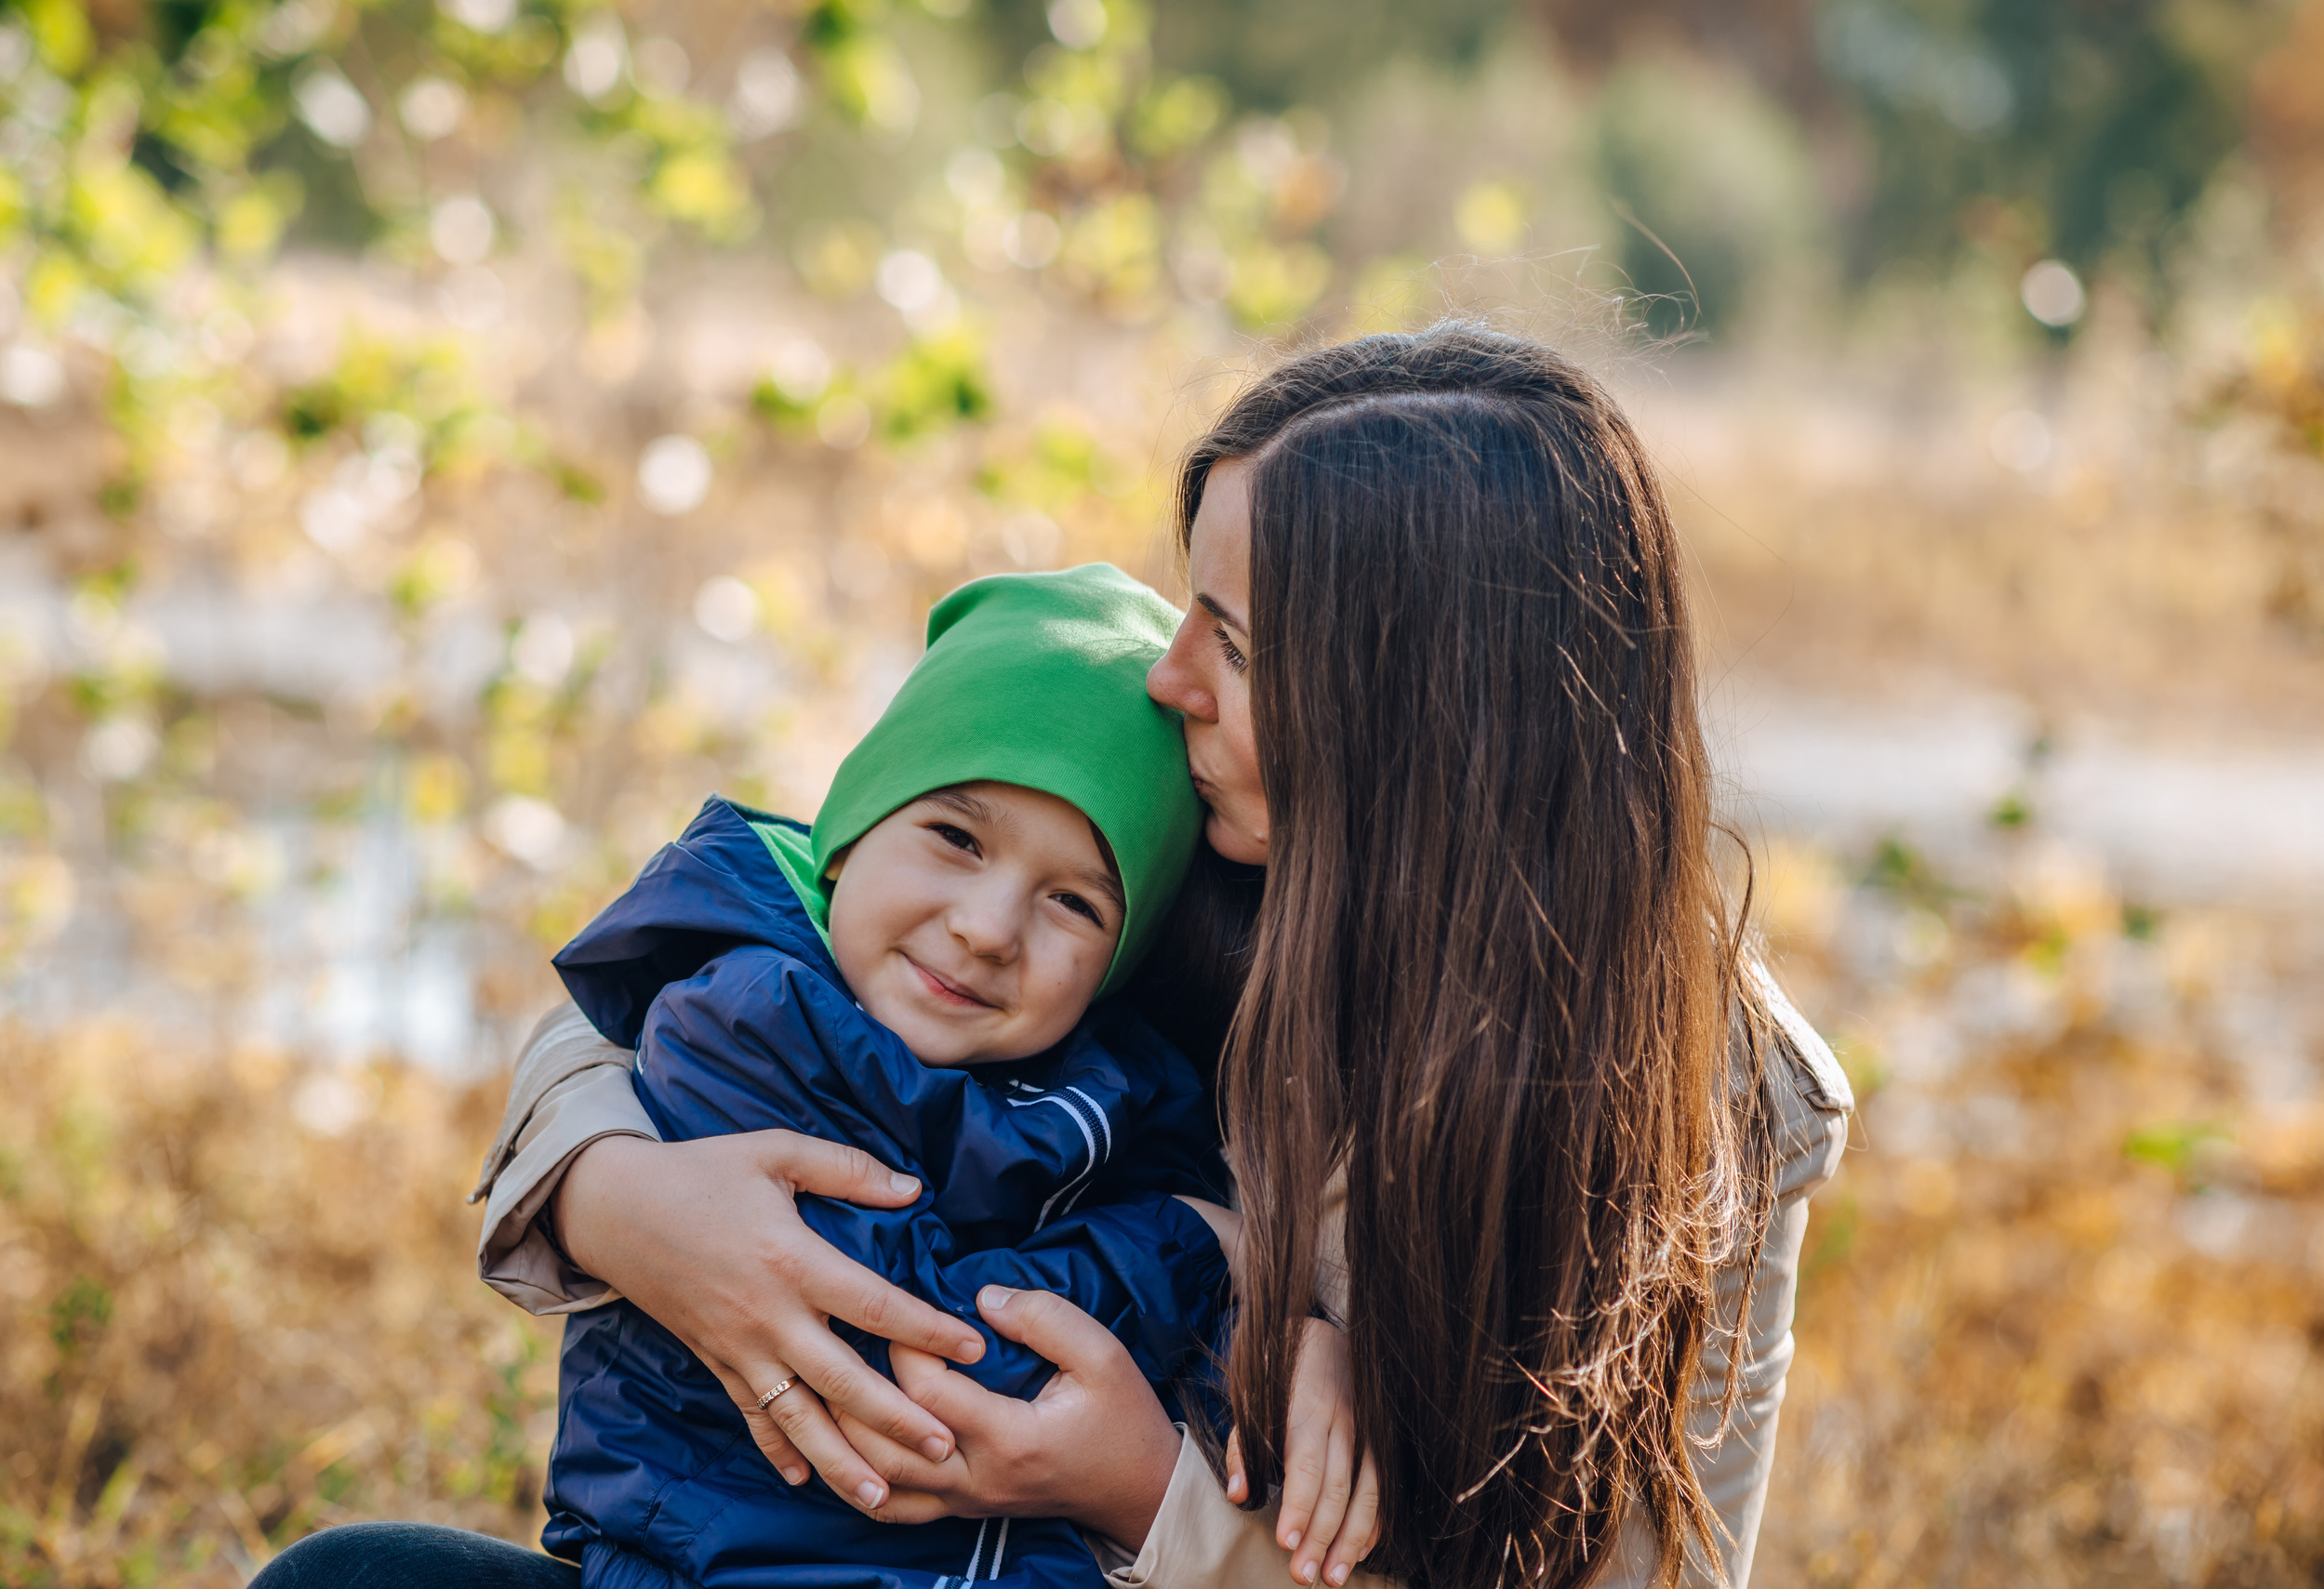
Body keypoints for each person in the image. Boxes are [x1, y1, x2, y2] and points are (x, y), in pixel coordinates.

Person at [255, 324, 1849, 1589]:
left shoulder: (1714, 1112)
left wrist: (1143, 1490)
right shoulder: (1189, 881)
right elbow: (731, 959)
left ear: (1408, 709)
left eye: (1230, 637)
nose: (1167, 681)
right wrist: (629, 1196)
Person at [542, 565, 1240, 1589]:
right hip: (734, 1561)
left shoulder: (1120, 1078)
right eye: (956, 838)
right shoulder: (748, 1015)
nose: (987, 926)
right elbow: (917, 1356)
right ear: (851, 827)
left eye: (1075, 903)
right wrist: (1199, 1243)